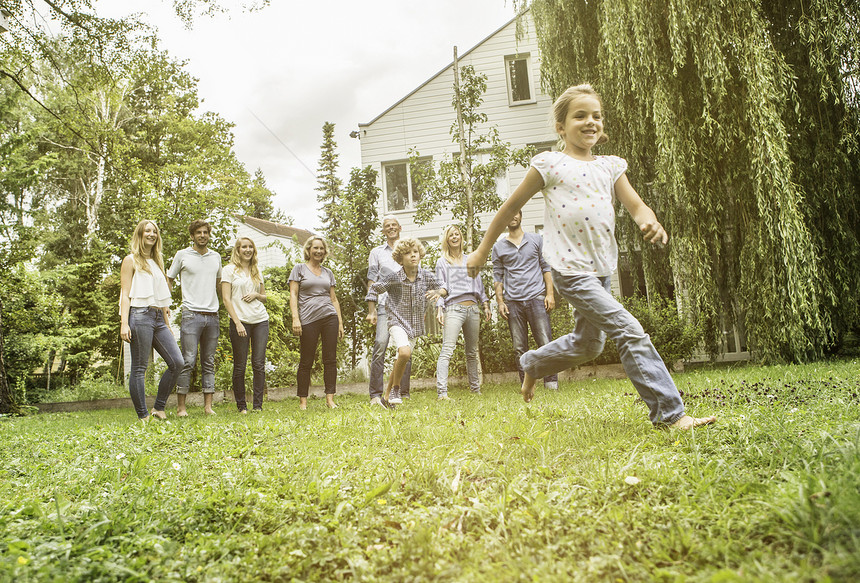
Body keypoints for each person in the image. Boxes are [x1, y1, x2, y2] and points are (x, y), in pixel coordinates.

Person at [467, 84, 715, 430]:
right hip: (569, 270)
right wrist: (481, 251)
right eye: (580, 115)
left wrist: (649, 221)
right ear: (560, 127)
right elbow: (510, 207)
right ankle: (671, 415)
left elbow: (636, 205)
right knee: (630, 330)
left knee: (589, 345)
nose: (590, 122)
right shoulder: (550, 164)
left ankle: (533, 364)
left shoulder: (610, 167)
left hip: (601, 270)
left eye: (596, 116)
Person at [366, 238, 447, 407]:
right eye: (408, 253)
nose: (412, 256)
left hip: (415, 325)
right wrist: (372, 310)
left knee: (400, 359)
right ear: (400, 258)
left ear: (420, 255)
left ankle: (386, 397)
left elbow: (445, 287)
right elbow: (374, 288)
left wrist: (438, 291)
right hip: (396, 320)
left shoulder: (426, 276)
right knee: (403, 353)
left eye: (415, 252)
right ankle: (396, 387)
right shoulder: (393, 277)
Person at [119, 220, 184, 421]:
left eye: (154, 231)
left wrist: (166, 322)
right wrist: (124, 322)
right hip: (139, 315)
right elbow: (125, 292)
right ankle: (143, 415)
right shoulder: (130, 260)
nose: (151, 234)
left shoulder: (157, 261)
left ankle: (159, 407)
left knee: (177, 363)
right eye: (147, 231)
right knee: (139, 368)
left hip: (157, 318)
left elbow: (162, 296)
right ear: (140, 234)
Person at [492, 209, 559, 390]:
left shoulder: (536, 240)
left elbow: (546, 268)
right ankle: (526, 385)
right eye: (509, 214)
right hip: (513, 302)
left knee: (545, 342)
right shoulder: (498, 247)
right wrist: (500, 302)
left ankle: (551, 383)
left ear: (520, 215)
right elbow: (497, 277)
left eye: (515, 213)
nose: (512, 216)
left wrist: (550, 294)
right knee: (519, 348)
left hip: (536, 298)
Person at [168, 219, 222, 416]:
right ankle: (181, 407)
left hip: (212, 316)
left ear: (209, 234)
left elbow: (219, 284)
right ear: (192, 236)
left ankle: (208, 407)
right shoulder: (182, 255)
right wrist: (166, 303)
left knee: (208, 361)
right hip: (191, 314)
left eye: (205, 232)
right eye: (198, 232)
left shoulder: (215, 257)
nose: (202, 235)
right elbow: (169, 280)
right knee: (188, 360)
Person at [434, 225, 491, 400]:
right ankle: (442, 393)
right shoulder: (442, 262)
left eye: (457, 233)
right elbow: (439, 287)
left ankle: (475, 390)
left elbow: (479, 285)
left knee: (472, 352)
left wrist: (486, 304)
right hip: (454, 309)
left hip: (473, 309)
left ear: (461, 237)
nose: (454, 237)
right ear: (447, 239)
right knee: (447, 349)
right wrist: (439, 308)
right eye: (451, 235)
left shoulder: (470, 259)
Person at [290, 237, 344, 410]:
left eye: (321, 248)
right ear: (309, 250)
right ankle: (303, 402)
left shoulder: (328, 272)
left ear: (325, 251)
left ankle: (330, 399)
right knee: (306, 360)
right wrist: (295, 318)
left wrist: (340, 323)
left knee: (330, 359)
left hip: (329, 317)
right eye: (315, 248)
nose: (319, 251)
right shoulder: (299, 269)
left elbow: (333, 299)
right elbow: (293, 295)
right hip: (308, 318)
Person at [366, 216, 412, 406]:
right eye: (387, 226)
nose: (391, 228)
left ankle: (401, 392)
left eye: (394, 225)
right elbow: (371, 282)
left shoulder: (410, 250)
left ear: (400, 228)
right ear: (383, 231)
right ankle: (375, 394)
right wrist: (372, 310)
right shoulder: (376, 253)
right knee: (380, 345)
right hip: (385, 306)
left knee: (405, 350)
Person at [222, 237, 269, 413]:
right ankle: (242, 406)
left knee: (258, 363)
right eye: (244, 247)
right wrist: (237, 322)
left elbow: (264, 296)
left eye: (250, 247)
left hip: (260, 320)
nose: (247, 250)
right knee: (240, 365)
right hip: (240, 321)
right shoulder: (229, 270)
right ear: (238, 250)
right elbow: (226, 299)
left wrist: (256, 296)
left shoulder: (256, 270)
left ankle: (257, 406)